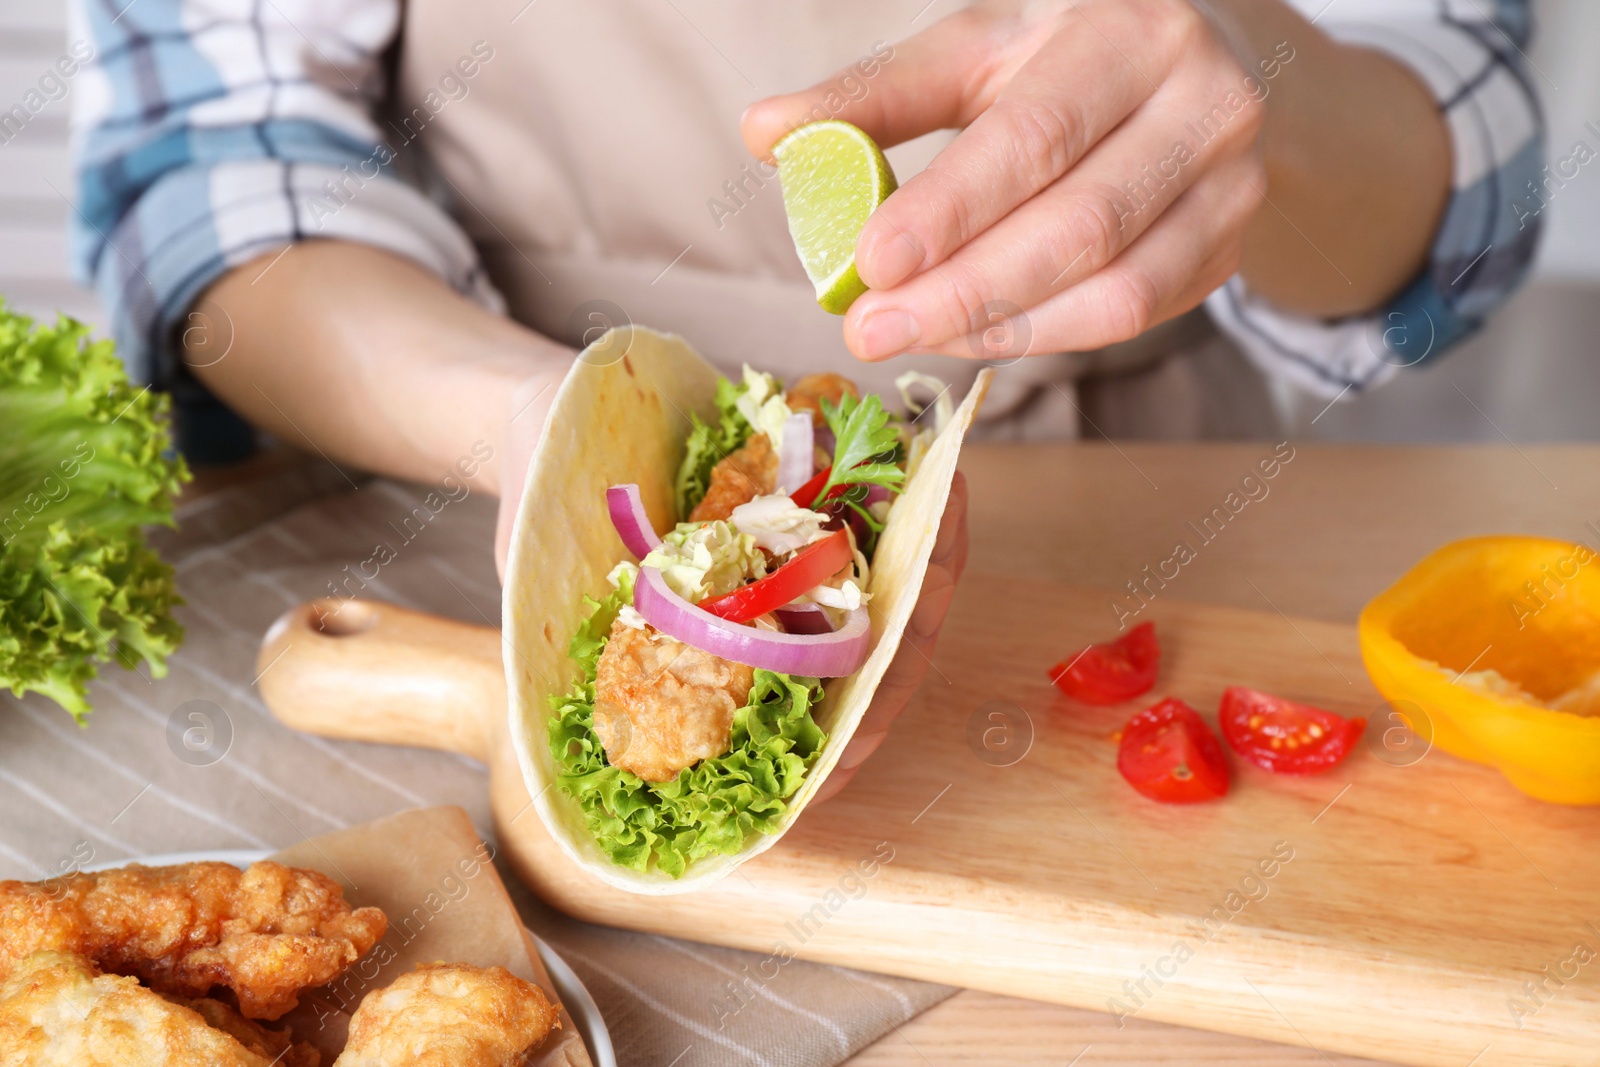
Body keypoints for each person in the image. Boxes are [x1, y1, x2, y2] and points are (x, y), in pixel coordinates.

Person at [70, 0, 1542, 796]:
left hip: (1164, 519)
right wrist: (549, 420)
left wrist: (1261, 93)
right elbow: (204, 168)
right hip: (473, 487)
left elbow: (1475, 207)